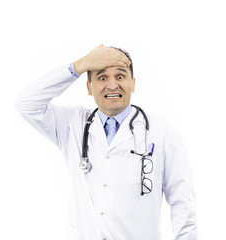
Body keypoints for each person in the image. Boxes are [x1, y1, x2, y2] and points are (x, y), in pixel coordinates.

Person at [15, 45, 197, 240]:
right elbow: (26, 103)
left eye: (120, 76)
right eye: (102, 77)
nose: (112, 86)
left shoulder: (163, 133)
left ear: (133, 83)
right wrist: (81, 65)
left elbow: (182, 203)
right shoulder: (72, 125)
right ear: (89, 87)